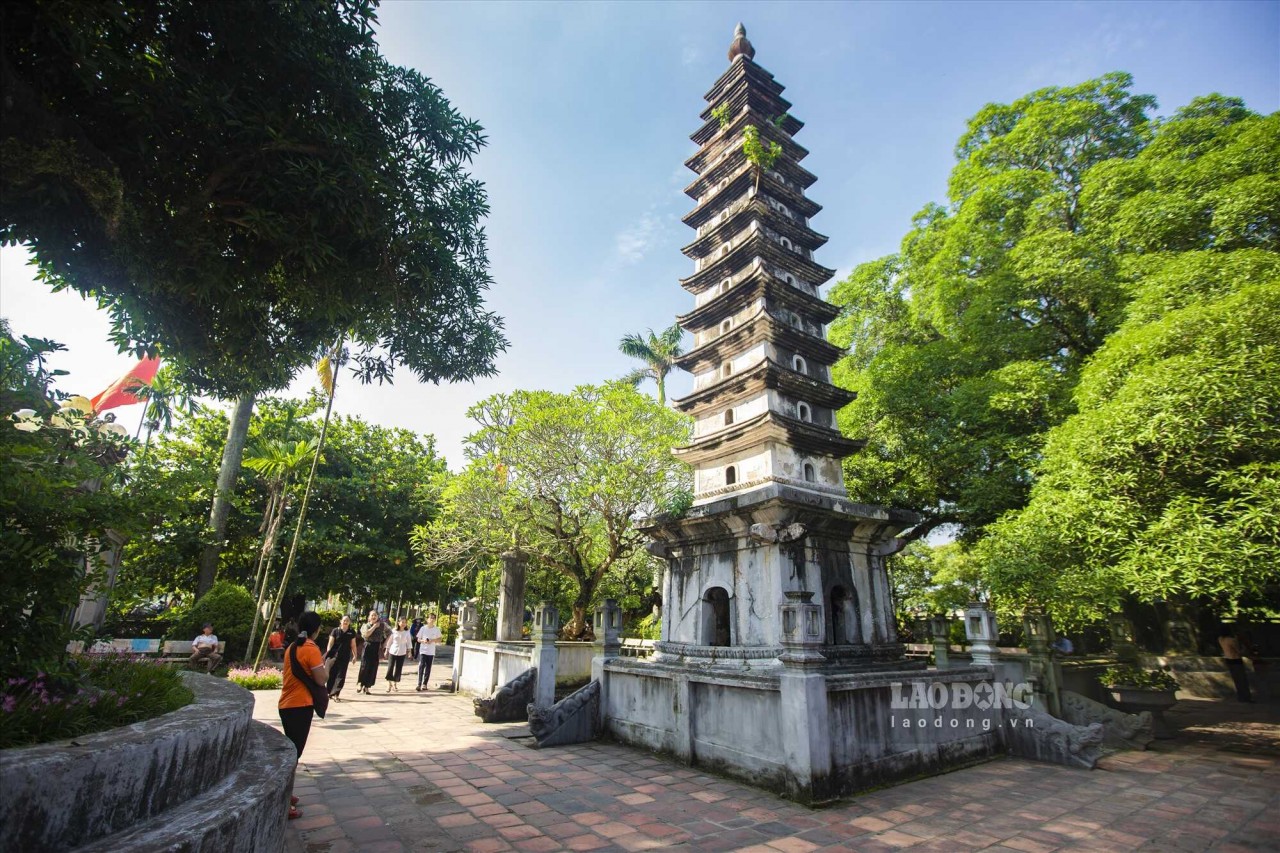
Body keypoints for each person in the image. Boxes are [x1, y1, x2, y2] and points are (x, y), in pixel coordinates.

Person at [279, 611, 328, 820]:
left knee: (293, 752)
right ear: (316, 629)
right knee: (293, 756)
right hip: (300, 705)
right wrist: (328, 667)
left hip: (287, 704)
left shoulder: (292, 647)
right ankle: (282, 801)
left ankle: (286, 794)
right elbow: (321, 679)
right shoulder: (310, 648)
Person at [324, 615, 358, 701]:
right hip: (334, 655)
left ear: (349, 622)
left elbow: (353, 645)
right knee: (332, 674)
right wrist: (328, 653)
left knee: (341, 675)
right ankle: (329, 692)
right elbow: (330, 643)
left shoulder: (351, 632)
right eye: (344, 620)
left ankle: (336, 693)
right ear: (341, 621)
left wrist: (355, 656)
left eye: (347, 620)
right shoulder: (335, 631)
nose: (345, 622)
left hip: (345, 656)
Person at [1219, 625, 1253, 703]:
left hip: (1228, 660)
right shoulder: (1232, 640)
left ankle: (1240, 696)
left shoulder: (1220, 639)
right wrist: (1244, 646)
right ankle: (1246, 698)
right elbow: (1239, 652)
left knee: (1236, 680)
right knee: (1242, 680)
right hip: (1236, 660)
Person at [356, 611, 387, 695]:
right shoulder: (365, 626)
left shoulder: (382, 625)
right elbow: (366, 634)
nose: (374, 617)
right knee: (364, 666)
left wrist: (385, 644)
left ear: (378, 617)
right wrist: (374, 626)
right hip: (368, 646)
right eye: (372, 615)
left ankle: (367, 686)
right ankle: (360, 683)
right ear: (369, 617)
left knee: (373, 667)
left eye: (375, 615)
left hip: (376, 647)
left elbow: (390, 633)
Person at [416, 613, 444, 692]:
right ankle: (419, 683)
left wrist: (432, 640)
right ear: (427, 619)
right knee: (421, 666)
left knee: (428, 667)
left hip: (431, 651)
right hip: (423, 650)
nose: (431, 619)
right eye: (430, 618)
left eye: (433, 618)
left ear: (435, 620)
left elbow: (440, 639)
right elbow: (418, 639)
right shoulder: (423, 628)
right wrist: (423, 641)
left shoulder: (436, 629)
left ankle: (425, 684)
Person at [385, 617, 412, 692]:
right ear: (398, 622)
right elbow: (390, 641)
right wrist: (386, 650)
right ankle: (389, 684)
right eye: (402, 622)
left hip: (402, 652)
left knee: (398, 669)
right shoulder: (393, 631)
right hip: (393, 651)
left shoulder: (407, 632)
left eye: (405, 622)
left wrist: (409, 651)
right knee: (390, 668)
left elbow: (409, 642)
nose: (403, 624)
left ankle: (395, 684)